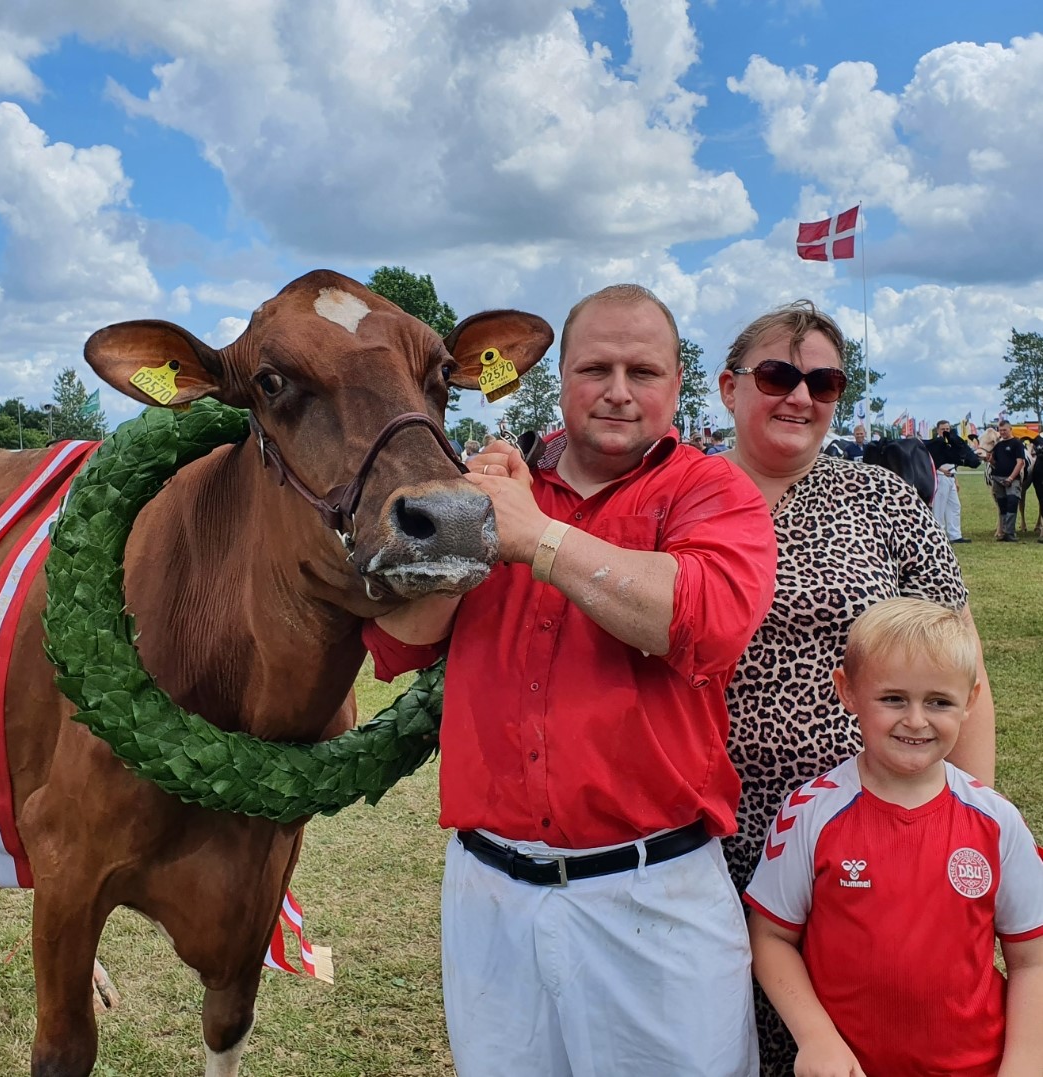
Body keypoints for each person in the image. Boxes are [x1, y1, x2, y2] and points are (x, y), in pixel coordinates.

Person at [363, 284, 778, 1076]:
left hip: (653, 892)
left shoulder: (710, 489)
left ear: (677, 380)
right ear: (560, 378)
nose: (618, 391)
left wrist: (536, 537)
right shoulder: (493, 489)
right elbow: (398, 643)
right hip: (491, 888)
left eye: (642, 370)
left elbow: (704, 617)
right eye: (595, 368)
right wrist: (469, 529)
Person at [715, 299, 996, 1075]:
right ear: (726, 387)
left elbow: (960, 667)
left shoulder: (880, 500)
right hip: (701, 835)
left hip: (872, 829)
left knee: (853, 1035)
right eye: (776, 374)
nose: (799, 396)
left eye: (823, 381)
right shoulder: (678, 499)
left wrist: (961, 825)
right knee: (721, 1037)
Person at [746, 598, 1043, 1076]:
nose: (916, 720)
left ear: (970, 700)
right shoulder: (810, 813)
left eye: (939, 701)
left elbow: (1032, 960)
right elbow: (771, 936)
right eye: (893, 699)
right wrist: (817, 1039)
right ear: (848, 691)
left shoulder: (997, 822)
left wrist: (1026, 1063)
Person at [925, 418, 974, 543]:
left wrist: (955, 479)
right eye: (943, 429)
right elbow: (929, 460)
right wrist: (940, 469)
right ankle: (938, 534)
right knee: (939, 508)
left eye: (947, 429)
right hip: (940, 477)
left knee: (955, 506)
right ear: (938, 430)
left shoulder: (951, 443)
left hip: (951, 476)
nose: (945, 431)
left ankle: (955, 535)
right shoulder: (935, 443)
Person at [988, 419, 1027, 542]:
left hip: (1012, 479)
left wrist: (1011, 478)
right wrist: (990, 460)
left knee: (1012, 503)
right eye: (1000, 430)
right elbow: (996, 463)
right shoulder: (998, 445)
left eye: (1005, 430)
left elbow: (1020, 462)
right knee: (1002, 505)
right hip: (998, 478)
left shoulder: (1017, 443)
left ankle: (1010, 532)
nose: (1002, 432)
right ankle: (1004, 532)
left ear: (1010, 429)